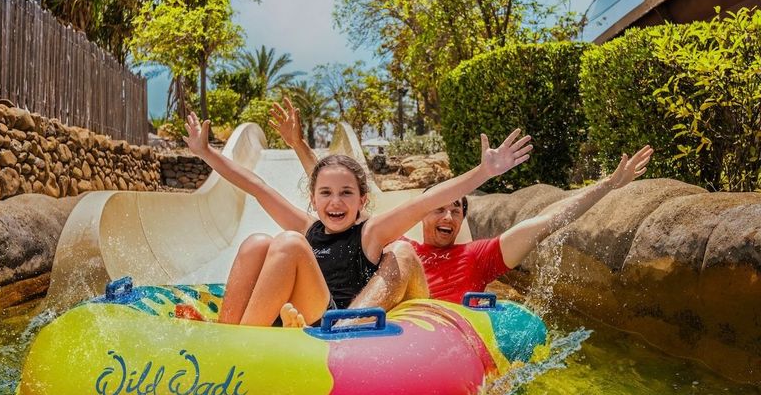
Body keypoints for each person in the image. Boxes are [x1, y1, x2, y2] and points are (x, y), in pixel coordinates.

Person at [272, 96, 656, 306]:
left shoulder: (476, 257)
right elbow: (339, 204)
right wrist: (299, 145)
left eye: (456, 210)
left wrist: (608, 185)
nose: (448, 215)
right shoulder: (396, 249)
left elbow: (545, 222)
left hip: (443, 339)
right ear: (421, 215)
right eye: (439, 207)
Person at [184, 111, 533, 327]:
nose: (336, 202)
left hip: (332, 319)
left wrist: (483, 172)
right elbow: (257, 187)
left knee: (288, 243)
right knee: (257, 242)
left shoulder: (370, 233)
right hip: (299, 309)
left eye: (346, 193)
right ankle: (227, 331)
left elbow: (425, 202)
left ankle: (246, 344)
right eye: (326, 193)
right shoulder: (309, 228)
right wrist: (206, 152)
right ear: (313, 199)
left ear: (362, 200)